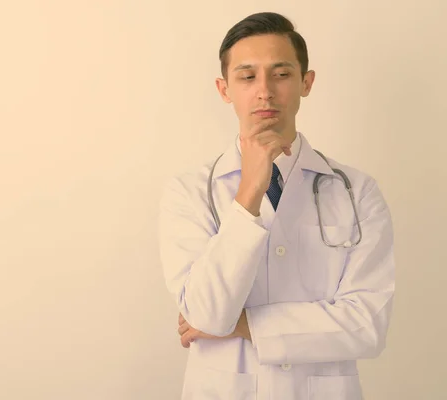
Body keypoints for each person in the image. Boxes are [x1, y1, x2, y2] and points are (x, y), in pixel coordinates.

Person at [157, 11, 395, 400]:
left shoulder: (357, 191)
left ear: (306, 82)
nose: (264, 91)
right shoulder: (189, 192)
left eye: (281, 74)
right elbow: (205, 314)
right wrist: (249, 192)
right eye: (247, 76)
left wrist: (244, 325)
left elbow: (367, 325)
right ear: (224, 89)